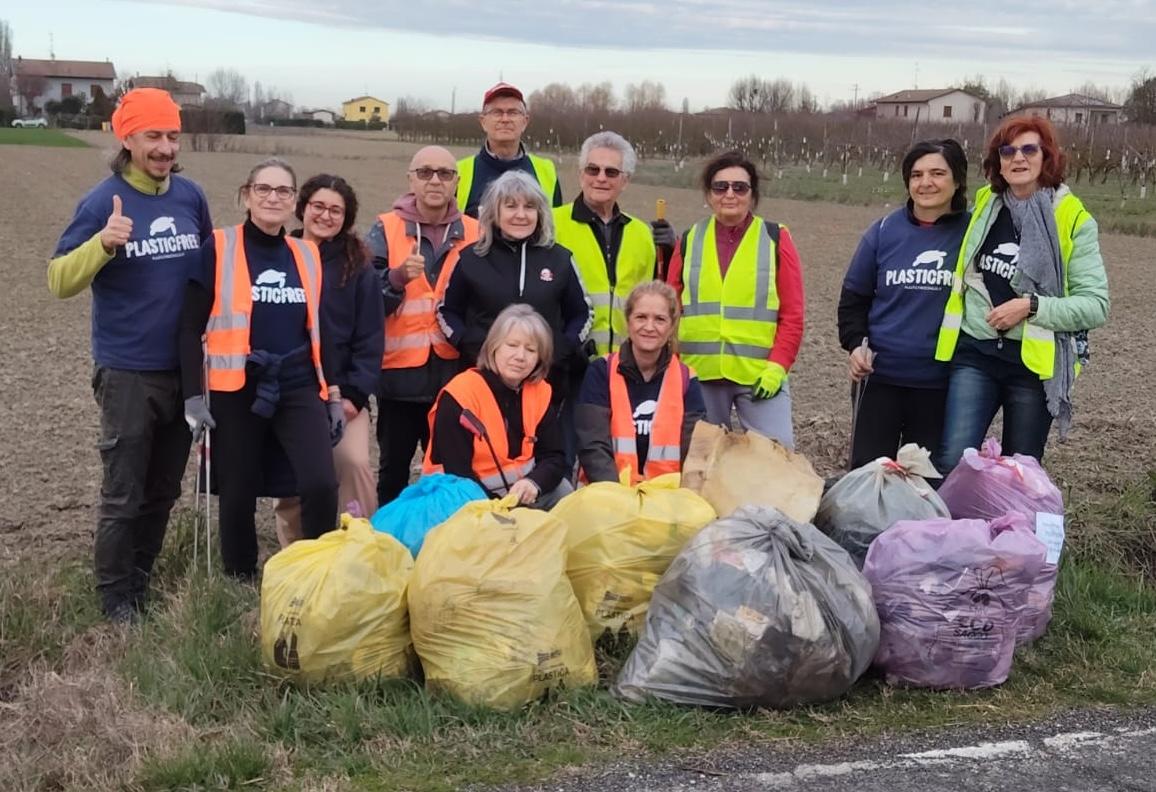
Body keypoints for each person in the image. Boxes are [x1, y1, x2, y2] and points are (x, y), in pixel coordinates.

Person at [48, 88, 212, 622]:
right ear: (127, 139)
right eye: (152, 135)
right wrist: (102, 244)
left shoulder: (190, 197)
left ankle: (141, 579)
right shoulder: (103, 202)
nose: (165, 147)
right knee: (124, 492)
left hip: (184, 371)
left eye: (172, 135)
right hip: (127, 373)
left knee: (163, 490)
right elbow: (58, 281)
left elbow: (208, 274)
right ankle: (115, 598)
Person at [180, 157, 341, 579]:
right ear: (246, 196)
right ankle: (240, 576)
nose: (273, 198)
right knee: (238, 488)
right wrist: (192, 397)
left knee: (320, 482)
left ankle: (318, 571)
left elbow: (320, 329)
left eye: (283, 190)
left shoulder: (307, 253)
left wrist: (333, 393)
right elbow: (189, 326)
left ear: (294, 202)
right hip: (236, 386)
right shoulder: (219, 246)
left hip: (297, 384)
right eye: (263, 189)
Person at [933, 116, 1109, 473]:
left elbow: (1095, 305)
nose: (1018, 158)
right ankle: (959, 514)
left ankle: (1009, 514)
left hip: (1032, 366)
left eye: (1029, 149)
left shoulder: (1072, 219)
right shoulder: (985, 205)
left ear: (1047, 157)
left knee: (1020, 471)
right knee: (952, 462)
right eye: (1007, 151)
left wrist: (1031, 306)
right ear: (998, 161)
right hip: (976, 353)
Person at [837, 139, 970, 469]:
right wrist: (855, 345)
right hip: (879, 379)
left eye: (937, 173)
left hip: (942, 383)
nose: (926, 183)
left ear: (958, 180)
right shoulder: (883, 231)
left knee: (925, 481)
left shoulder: (973, 235)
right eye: (916, 175)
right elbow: (853, 300)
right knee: (870, 475)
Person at [666, 151, 805, 449]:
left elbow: (792, 315)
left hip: (758, 376)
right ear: (708, 194)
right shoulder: (689, 240)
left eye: (739, 187)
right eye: (720, 187)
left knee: (777, 456)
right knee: (702, 460)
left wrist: (776, 368)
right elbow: (669, 311)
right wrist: (675, 368)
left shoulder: (775, 238)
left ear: (752, 195)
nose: (730, 194)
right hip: (700, 375)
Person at [272, 175, 384, 544]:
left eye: (336, 210)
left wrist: (353, 395)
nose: (325, 215)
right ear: (302, 208)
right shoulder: (277, 255)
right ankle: (297, 551)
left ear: (346, 218)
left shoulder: (358, 267)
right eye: (318, 206)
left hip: (342, 393)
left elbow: (370, 337)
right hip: (289, 389)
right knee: (292, 475)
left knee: (353, 463)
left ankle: (360, 545)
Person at [368, 146, 480, 506]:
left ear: (456, 182)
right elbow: (365, 300)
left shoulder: (476, 231)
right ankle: (389, 535)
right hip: (398, 380)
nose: (435, 180)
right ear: (411, 179)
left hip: (455, 377)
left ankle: (445, 535)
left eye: (445, 173)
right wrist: (396, 279)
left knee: (452, 472)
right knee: (393, 474)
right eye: (425, 172)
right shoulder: (385, 228)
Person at [438, 170, 593, 411]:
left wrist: (559, 350)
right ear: (494, 212)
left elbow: (582, 314)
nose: (521, 215)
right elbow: (447, 311)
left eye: (529, 207)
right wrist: (471, 345)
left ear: (540, 213)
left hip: (545, 385)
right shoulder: (470, 258)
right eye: (510, 206)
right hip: (482, 382)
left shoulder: (560, 259)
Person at [423, 304, 571, 508]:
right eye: (512, 345)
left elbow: (554, 457)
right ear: (493, 346)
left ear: (540, 358)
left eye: (530, 350)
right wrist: (499, 509)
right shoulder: (459, 395)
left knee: (563, 491)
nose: (520, 356)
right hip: (461, 499)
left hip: (517, 495)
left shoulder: (539, 392)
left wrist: (533, 483)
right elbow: (458, 475)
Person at [553, 131, 676, 358]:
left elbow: (654, 298)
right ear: (581, 175)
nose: (601, 178)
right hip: (568, 362)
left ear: (625, 180)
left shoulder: (642, 234)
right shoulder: (551, 224)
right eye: (593, 169)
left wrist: (671, 253)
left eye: (611, 172)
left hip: (626, 364)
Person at [576, 280, 706, 483]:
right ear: (628, 321)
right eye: (641, 317)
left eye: (660, 319)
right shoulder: (601, 371)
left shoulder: (686, 378)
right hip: (609, 490)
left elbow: (695, 450)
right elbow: (593, 446)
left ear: (671, 326)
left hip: (668, 493)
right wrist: (617, 493)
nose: (649, 327)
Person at [456, 82, 563, 218]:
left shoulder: (547, 171)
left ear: (525, 121)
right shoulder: (458, 172)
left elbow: (555, 224)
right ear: (483, 121)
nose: (505, 119)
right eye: (497, 112)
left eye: (513, 112)